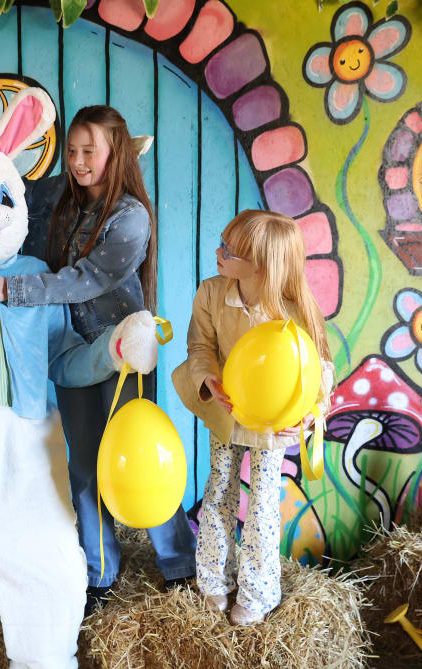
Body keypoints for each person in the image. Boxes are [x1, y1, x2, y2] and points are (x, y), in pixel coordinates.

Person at [0, 105, 197, 613]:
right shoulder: (57, 198)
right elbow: (5, 199)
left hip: (122, 350)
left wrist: (13, 289)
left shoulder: (130, 216)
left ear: (116, 154)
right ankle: (100, 573)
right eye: (71, 151)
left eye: (89, 151)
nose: (77, 161)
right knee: (86, 467)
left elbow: (86, 279)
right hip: (70, 351)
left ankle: (180, 565)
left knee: (137, 460)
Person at [171, 209, 335, 626]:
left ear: (261, 264)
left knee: (262, 503)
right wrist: (207, 376)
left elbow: (320, 373)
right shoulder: (212, 294)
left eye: (229, 249)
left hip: (272, 423)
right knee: (219, 490)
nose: (218, 252)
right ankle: (212, 580)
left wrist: (310, 416)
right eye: (222, 242)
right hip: (228, 412)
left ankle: (258, 592)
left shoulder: (297, 310)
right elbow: (200, 346)